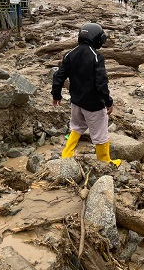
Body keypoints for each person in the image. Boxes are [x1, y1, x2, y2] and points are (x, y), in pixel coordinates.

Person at [52, 23, 121, 167]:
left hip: (76, 102)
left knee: (76, 126)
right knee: (100, 134)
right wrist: (108, 101)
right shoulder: (96, 57)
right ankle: (105, 161)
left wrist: (56, 95)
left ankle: (66, 154)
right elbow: (101, 83)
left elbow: (59, 76)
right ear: (97, 38)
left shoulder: (70, 54)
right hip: (94, 105)